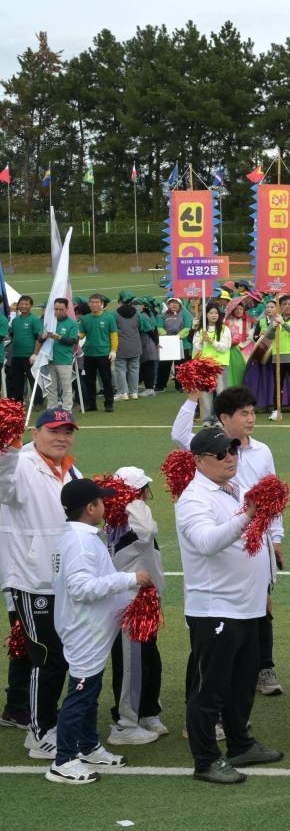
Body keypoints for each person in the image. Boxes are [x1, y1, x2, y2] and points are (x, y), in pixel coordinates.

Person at [175, 427, 285, 784]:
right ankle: (206, 760)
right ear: (198, 461)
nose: (230, 458)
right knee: (210, 691)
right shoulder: (193, 499)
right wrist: (247, 515)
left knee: (240, 686)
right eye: (221, 453)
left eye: (233, 451)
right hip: (216, 609)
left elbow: (255, 543)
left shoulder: (234, 490)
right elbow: (207, 542)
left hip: (247, 607)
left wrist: (265, 587)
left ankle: (240, 744)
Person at [174, 384, 285, 696]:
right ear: (224, 418)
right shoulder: (205, 465)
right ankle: (205, 721)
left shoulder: (262, 451)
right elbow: (180, 433)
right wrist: (193, 397)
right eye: (243, 413)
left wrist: (275, 538)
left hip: (254, 546)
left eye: (253, 412)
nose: (251, 419)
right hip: (219, 581)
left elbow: (272, 495)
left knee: (261, 612)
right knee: (212, 652)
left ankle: (262, 669)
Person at [46, 478, 153, 785]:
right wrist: (128, 580)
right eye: (102, 501)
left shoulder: (80, 537)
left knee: (90, 693)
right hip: (84, 631)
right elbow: (81, 589)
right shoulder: (80, 543)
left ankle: (88, 746)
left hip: (89, 629)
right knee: (80, 696)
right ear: (91, 508)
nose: (106, 506)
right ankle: (63, 761)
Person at [0, 407, 82, 760]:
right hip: (32, 579)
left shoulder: (70, 468)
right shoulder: (20, 464)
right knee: (46, 655)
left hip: (64, 578)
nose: (61, 437)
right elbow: (4, 480)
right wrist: (6, 444)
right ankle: (38, 731)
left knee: (62, 655)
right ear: (36, 433)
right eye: (54, 430)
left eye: (67, 431)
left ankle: (48, 719)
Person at [104, 467, 165, 746]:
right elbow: (146, 531)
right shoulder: (130, 514)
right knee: (132, 663)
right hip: (130, 600)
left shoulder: (123, 516)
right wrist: (134, 501)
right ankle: (125, 723)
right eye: (140, 490)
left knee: (149, 658)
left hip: (144, 598)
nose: (144, 495)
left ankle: (148, 710)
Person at [77, 295, 117, 413]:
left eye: (96, 302)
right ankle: (91, 404)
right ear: (89, 304)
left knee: (106, 380)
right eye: (92, 302)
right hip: (89, 353)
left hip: (104, 354)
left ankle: (109, 403)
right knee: (89, 381)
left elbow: (114, 335)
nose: (94, 305)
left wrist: (113, 350)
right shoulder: (85, 319)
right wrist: (77, 336)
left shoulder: (109, 318)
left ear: (101, 304)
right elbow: (83, 334)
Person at [43, 299, 80, 412]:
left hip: (64, 360)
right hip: (50, 359)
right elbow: (41, 338)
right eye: (56, 309)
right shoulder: (50, 321)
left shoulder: (72, 323)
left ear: (67, 309)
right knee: (51, 387)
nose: (58, 311)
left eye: (61, 309)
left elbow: (72, 341)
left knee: (66, 387)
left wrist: (58, 337)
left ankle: (67, 410)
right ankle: (51, 409)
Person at [112, 291, 143, 403]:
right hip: (135, 344)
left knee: (120, 369)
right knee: (134, 368)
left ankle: (123, 392)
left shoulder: (114, 314)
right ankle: (134, 392)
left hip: (120, 345)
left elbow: (112, 329)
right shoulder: (137, 313)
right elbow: (141, 326)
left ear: (120, 301)